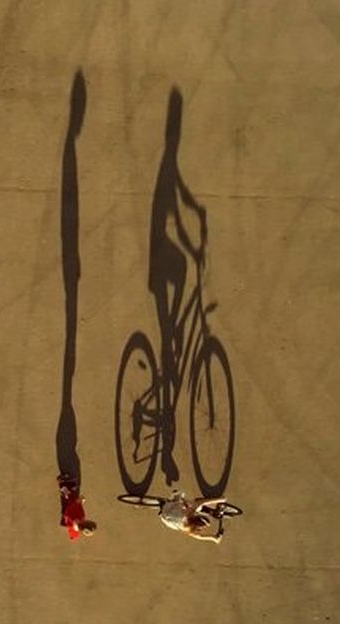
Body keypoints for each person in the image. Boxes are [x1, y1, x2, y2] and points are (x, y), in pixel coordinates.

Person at [149, 88, 207, 485]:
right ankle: (164, 454)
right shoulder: (165, 168)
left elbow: (178, 189)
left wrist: (193, 207)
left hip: (162, 262)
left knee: (183, 273)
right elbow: (174, 200)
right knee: (184, 267)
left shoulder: (167, 165)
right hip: (162, 262)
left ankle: (172, 343)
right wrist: (191, 228)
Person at [159, 489, 225, 544]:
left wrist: (220, 499)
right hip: (166, 520)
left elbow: (202, 502)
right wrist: (214, 538)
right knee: (191, 507)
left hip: (168, 509)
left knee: (183, 495)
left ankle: (172, 498)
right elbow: (200, 536)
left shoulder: (188, 514)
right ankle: (170, 504)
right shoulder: (189, 529)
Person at [58, 474, 96, 540]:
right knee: (69, 496)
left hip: (69, 508)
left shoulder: (78, 519)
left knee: (69, 495)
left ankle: (61, 482)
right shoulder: (75, 529)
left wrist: (79, 501)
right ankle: (68, 488)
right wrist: (72, 537)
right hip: (67, 513)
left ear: (86, 523)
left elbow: (73, 508)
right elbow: (73, 535)